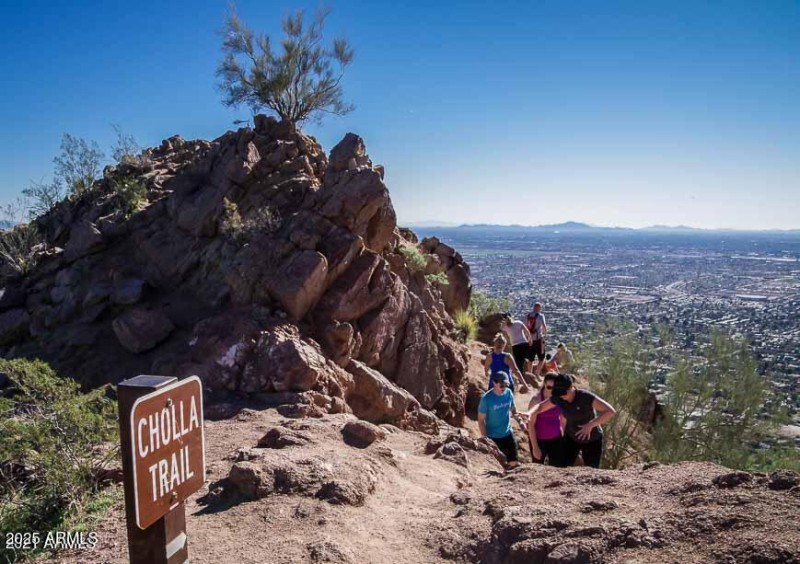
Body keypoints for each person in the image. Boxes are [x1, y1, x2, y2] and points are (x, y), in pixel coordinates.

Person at [523, 374, 616, 469]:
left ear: (571, 387)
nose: (562, 396)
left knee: (592, 469)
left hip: (591, 439)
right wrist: (530, 412)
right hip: (571, 438)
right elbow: (540, 406)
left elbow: (610, 411)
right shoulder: (558, 397)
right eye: (559, 393)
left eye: (564, 393)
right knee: (562, 467)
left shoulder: (585, 397)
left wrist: (591, 425)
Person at [478, 371, 526, 470]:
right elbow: (481, 420)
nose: (504, 387)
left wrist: (520, 422)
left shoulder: (508, 393)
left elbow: (513, 410)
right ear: (494, 382)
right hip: (493, 437)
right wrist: (485, 439)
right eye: (501, 385)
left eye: (506, 384)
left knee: (514, 464)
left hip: (508, 434)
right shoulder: (486, 399)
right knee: (499, 467)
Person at [526, 372, 566, 466]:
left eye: (555, 387)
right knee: (538, 468)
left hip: (556, 439)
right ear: (544, 384)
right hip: (539, 441)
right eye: (549, 387)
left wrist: (563, 436)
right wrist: (535, 447)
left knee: (557, 468)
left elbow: (563, 420)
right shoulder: (536, 400)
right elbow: (530, 424)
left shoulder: (560, 399)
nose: (552, 390)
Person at [500, 314, 532, 382]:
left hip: (515, 345)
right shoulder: (519, 322)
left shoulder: (506, 326)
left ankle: (520, 378)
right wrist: (530, 340)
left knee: (518, 362)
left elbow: (501, 330)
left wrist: (508, 342)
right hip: (524, 343)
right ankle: (523, 377)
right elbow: (527, 332)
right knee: (522, 361)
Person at [525, 302, 547, 375]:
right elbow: (544, 326)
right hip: (538, 339)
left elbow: (524, 327)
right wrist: (545, 336)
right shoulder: (541, 316)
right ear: (539, 308)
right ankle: (537, 372)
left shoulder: (527, 316)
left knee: (530, 358)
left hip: (530, 339)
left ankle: (529, 373)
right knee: (542, 357)